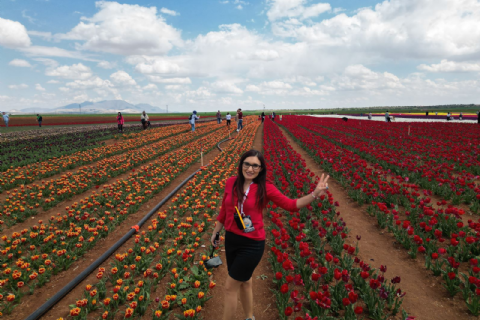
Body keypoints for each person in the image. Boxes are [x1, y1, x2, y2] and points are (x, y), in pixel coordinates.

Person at [211, 150, 329, 320]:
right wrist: (216, 233)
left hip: (252, 244)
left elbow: (291, 205)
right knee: (244, 282)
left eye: (255, 166)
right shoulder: (231, 182)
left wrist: (314, 194)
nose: (250, 169)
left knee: (230, 287)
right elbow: (224, 209)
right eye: (247, 164)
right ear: (241, 165)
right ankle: (249, 317)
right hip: (231, 240)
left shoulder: (265, 188)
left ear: (261, 169)